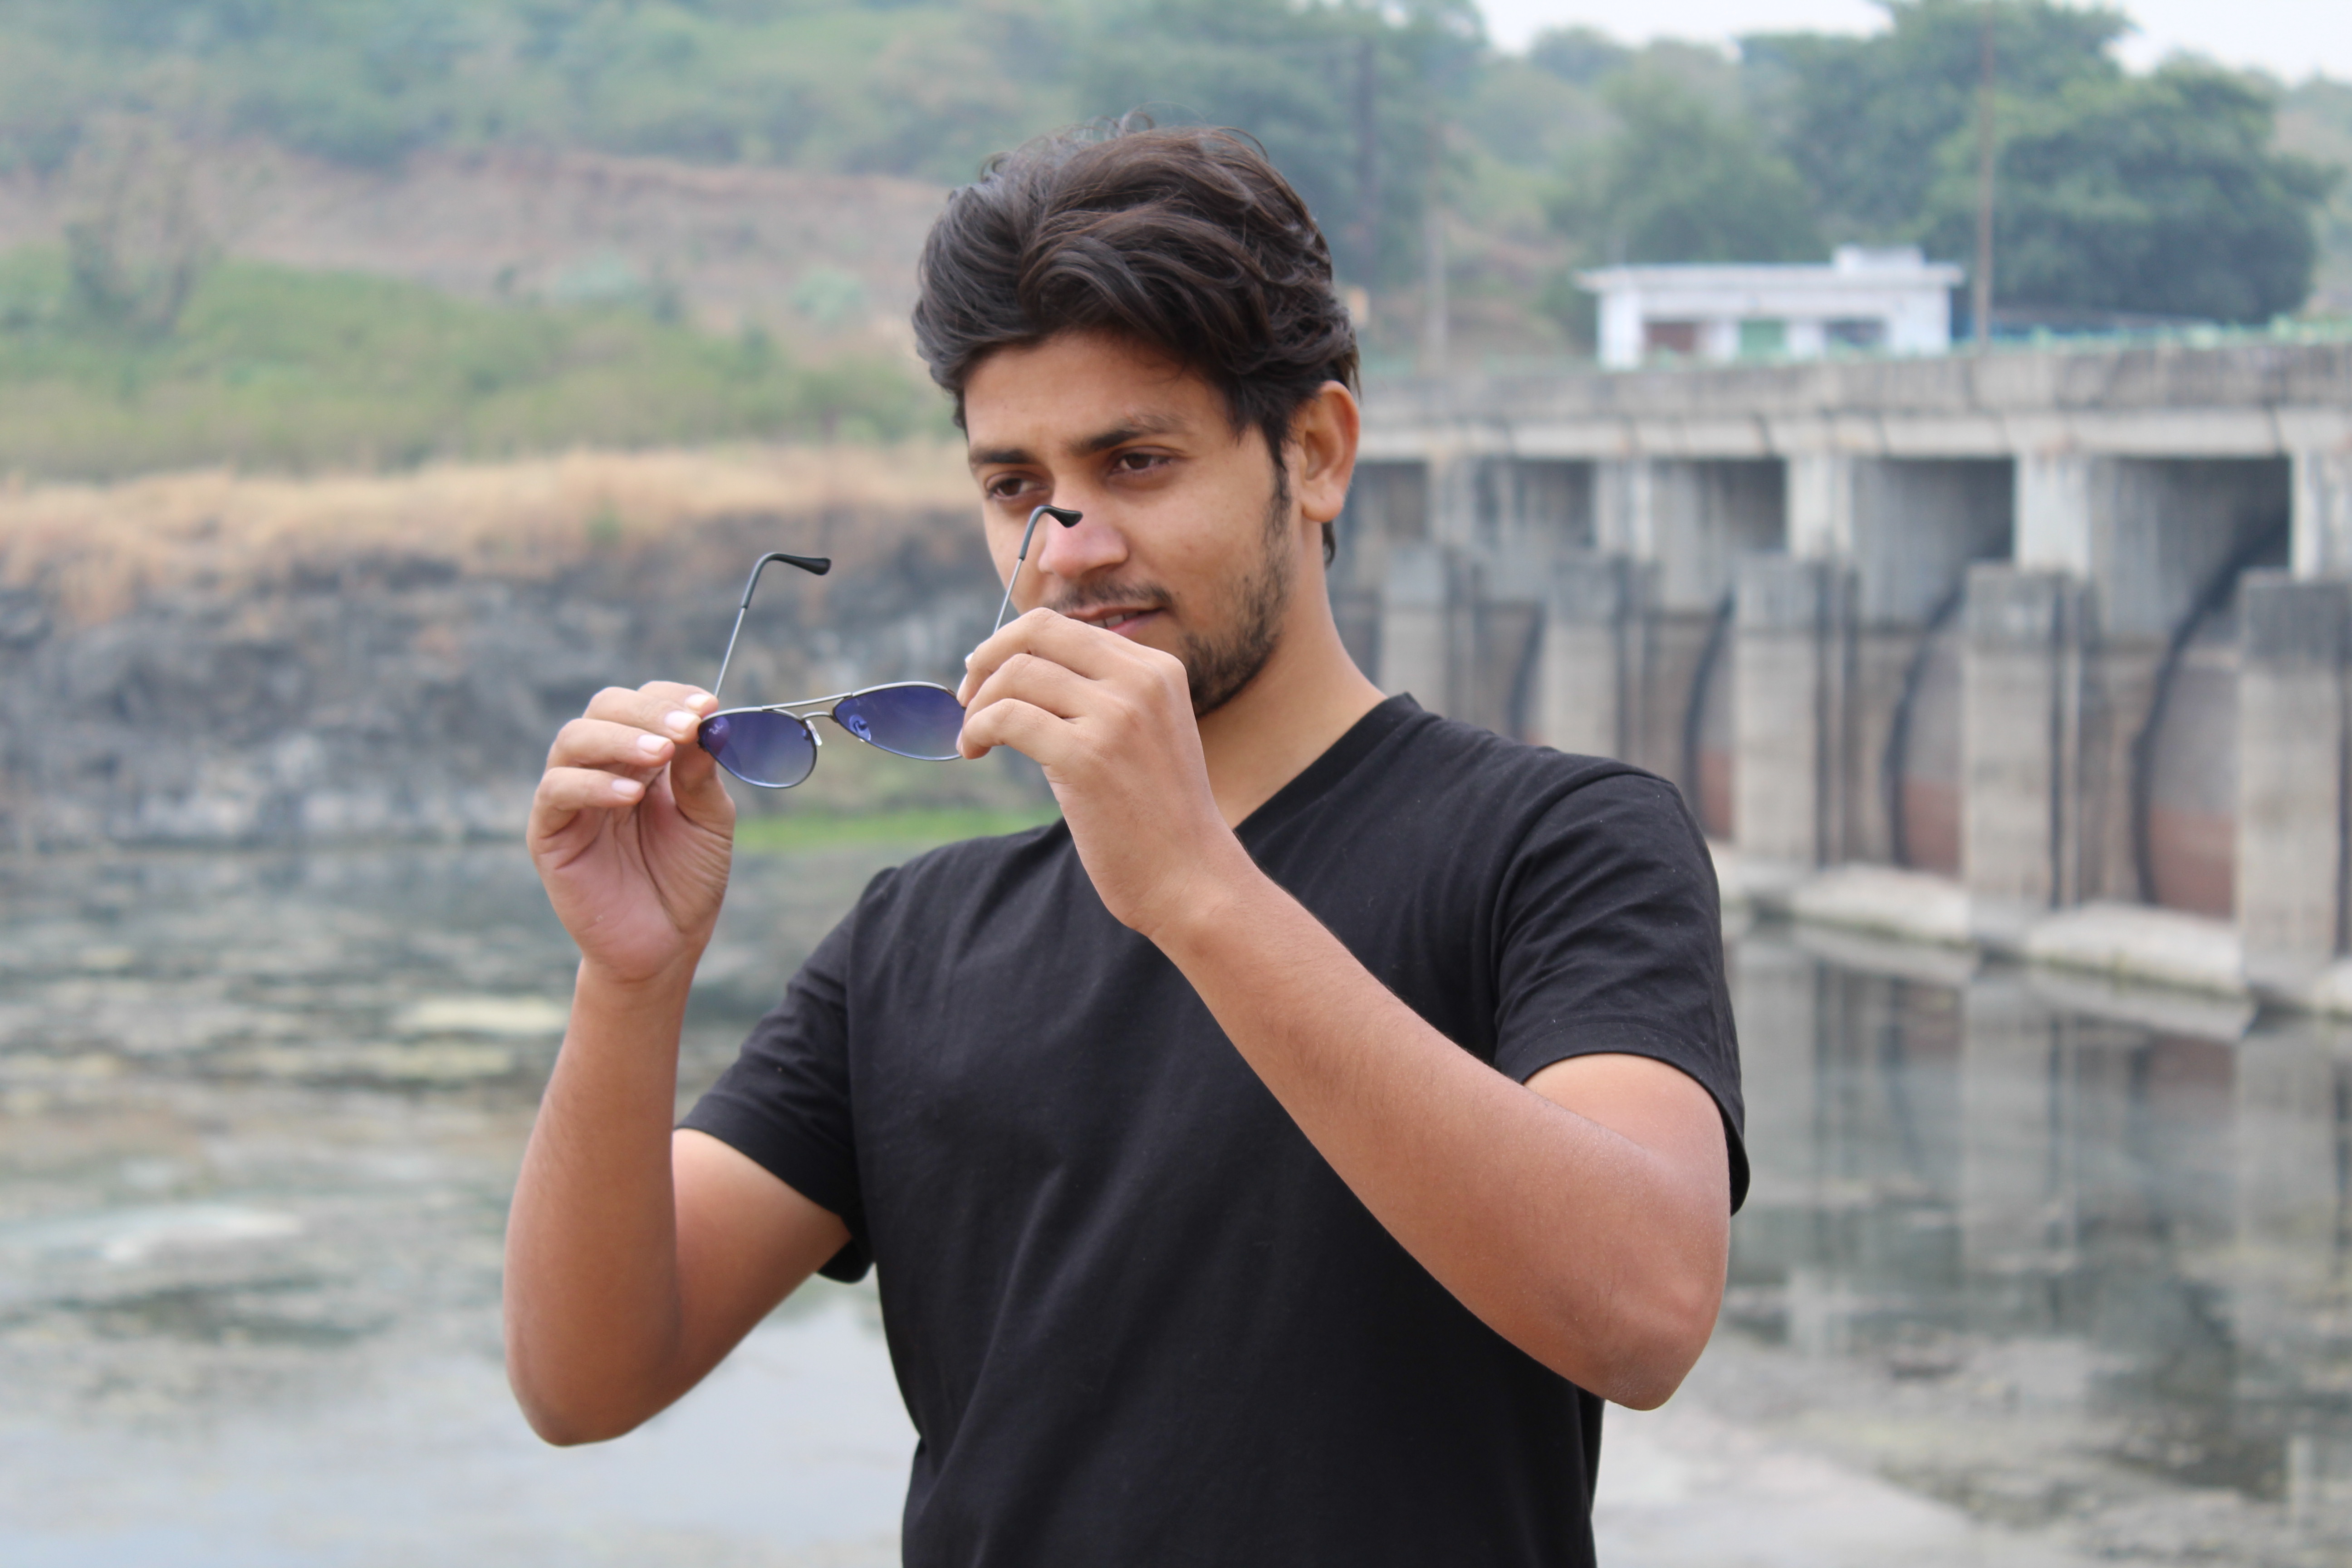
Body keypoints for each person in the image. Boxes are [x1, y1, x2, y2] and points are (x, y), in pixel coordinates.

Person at [506, 123, 1744, 1567]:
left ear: (1317, 454)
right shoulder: (917, 937)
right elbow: (585, 1379)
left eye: (1137, 461)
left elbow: (1644, 1313)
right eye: (1013, 486)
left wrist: (1195, 887)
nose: (1068, 545)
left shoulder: (1559, 844)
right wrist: (631, 982)